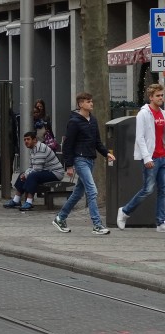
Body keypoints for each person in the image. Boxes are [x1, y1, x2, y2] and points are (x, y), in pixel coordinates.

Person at [53, 92, 115, 236]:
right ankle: (97, 225)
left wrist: (106, 153)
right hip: (80, 160)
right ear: (80, 104)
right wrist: (69, 165)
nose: (91, 103)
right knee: (92, 191)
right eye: (88, 101)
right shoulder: (74, 122)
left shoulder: (93, 120)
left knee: (78, 193)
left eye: (91, 101)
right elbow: (68, 144)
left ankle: (60, 218)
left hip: (90, 160)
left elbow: (97, 142)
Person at [116, 83, 165, 233]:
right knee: (148, 189)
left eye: (162, 95)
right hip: (151, 157)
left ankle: (161, 222)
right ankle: (124, 211)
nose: (161, 98)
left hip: (163, 156)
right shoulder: (143, 114)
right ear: (151, 97)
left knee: (163, 190)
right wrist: (146, 158)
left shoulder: (163, 113)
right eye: (158, 96)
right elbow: (140, 138)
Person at [4, 130, 64, 211]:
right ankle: (16, 200)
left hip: (56, 173)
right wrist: (25, 174)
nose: (26, 141)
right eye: (25, 140)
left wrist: (26, 175)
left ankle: (29, 202)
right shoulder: (33, 149)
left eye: (28, 139)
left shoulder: (41, 148)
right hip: (46, 171)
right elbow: (31, 166)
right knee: (23, 174)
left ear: (35, 140)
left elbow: (37, 169)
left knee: (32, 176)